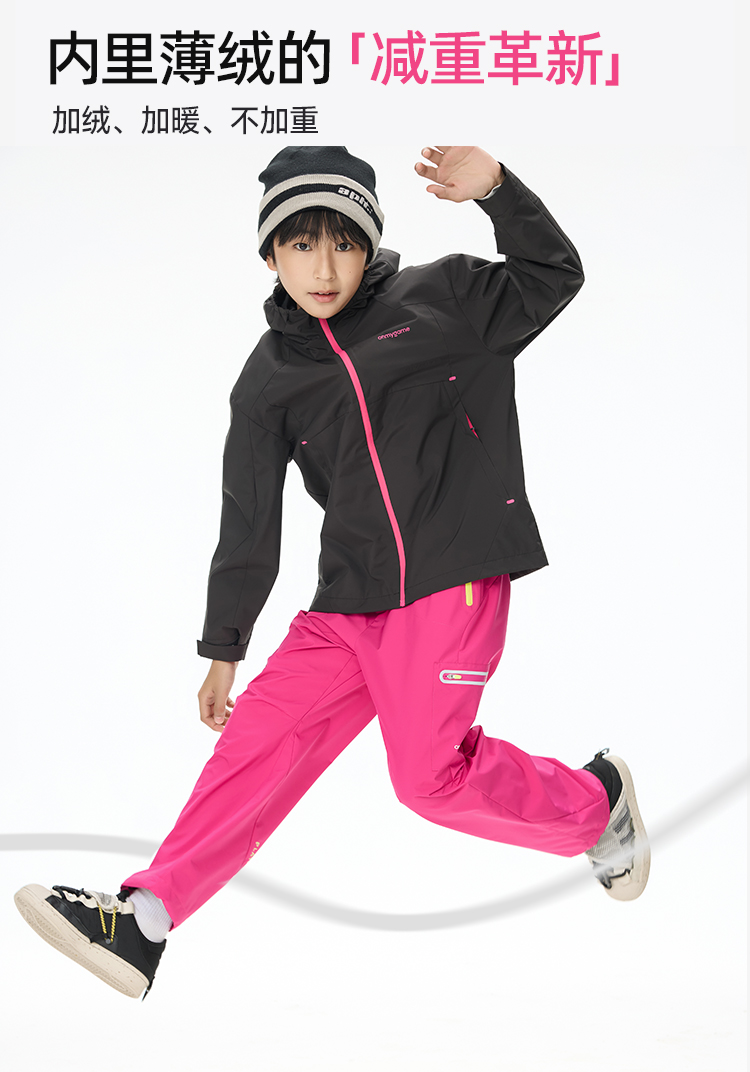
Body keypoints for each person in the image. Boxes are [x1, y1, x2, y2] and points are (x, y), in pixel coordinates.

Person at [14, 145, 650, 1000]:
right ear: (270, 255)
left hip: (450, 578)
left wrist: (499, 191)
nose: (323, 268)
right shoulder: (268, 378)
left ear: (369, 244)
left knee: (428, 781)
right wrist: (224, 647)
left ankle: (593, 805)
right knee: (255, 743)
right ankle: (143, 921)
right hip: (348, 602)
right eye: (301, 244)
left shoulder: (446, 297)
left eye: (344, 243)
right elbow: (249, 519)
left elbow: (553, 274)